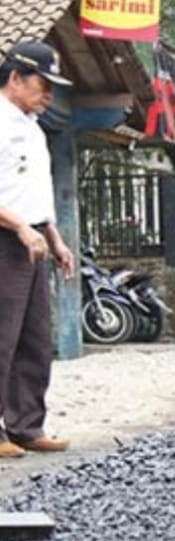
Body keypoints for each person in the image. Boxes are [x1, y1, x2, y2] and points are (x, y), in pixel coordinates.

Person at [0, 41, 77, 458]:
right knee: (1, 337)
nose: (49, 95)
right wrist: (17, 228)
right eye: (43, 84)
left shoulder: (32, 127)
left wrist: (53, 235)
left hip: (32, 238)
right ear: (15, 78)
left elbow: (33, 191)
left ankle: (26, 425)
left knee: (34, 338)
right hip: (5, 239)